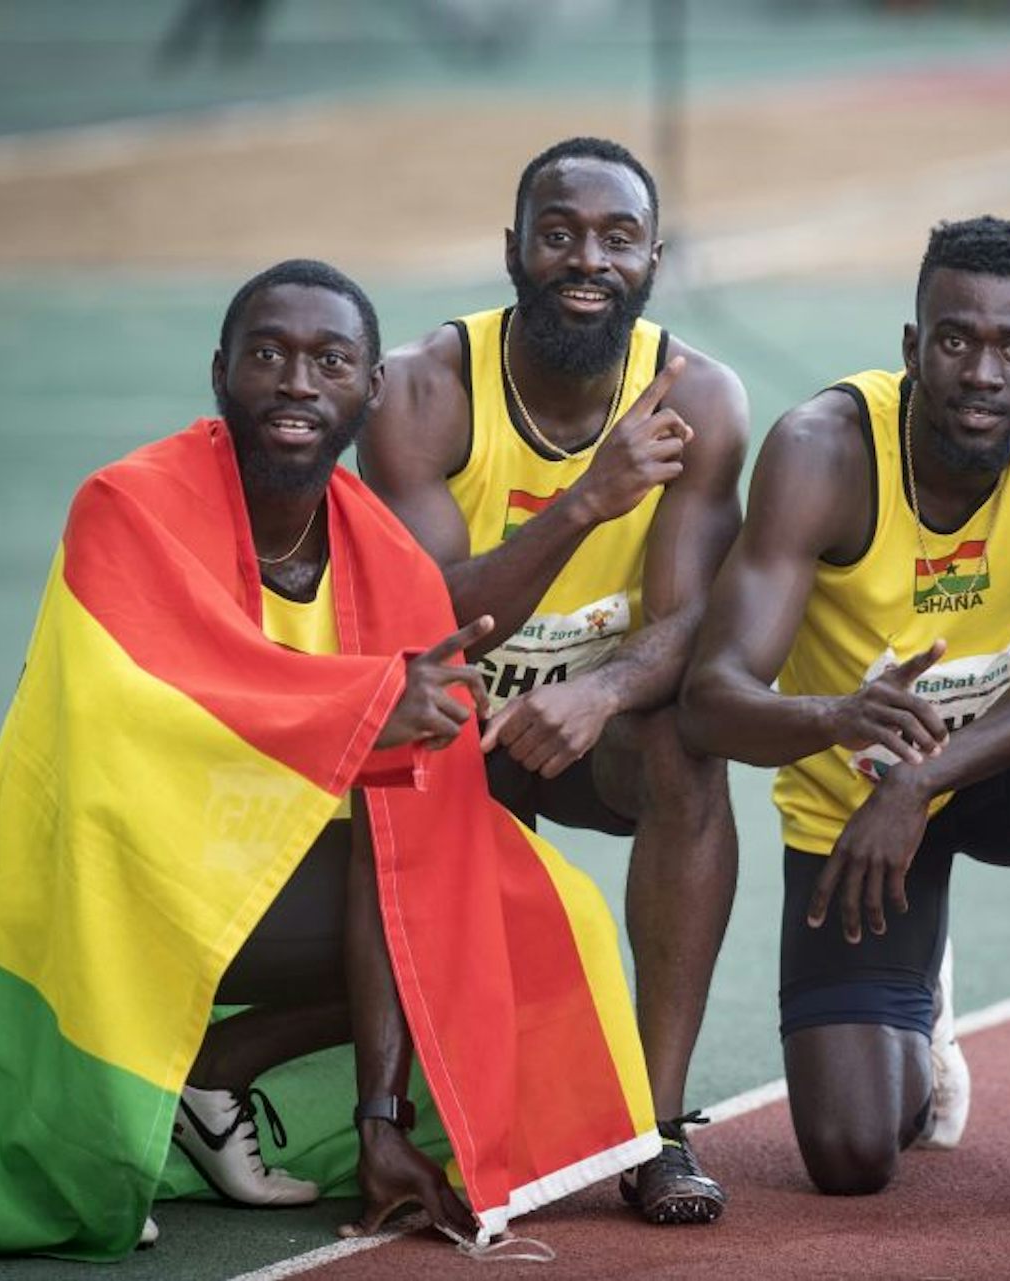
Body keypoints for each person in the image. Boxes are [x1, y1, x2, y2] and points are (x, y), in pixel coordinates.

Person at [0, 260, 658, 1260]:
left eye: (330, 360)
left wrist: (382, 1122)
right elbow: (153, 695)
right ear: (220, 372)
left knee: (517, 902)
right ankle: (137, 1099)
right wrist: (371, 703)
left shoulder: (388, 560)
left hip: (258, 878)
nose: (297, 382)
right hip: (95, 881)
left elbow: (413, 828)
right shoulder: (124, 504)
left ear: (370, 392)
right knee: (410, 876)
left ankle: (223, 1076)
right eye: (269, 355)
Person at [680, 216, 1010, 1211]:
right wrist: (836, 719)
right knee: (852, 1157)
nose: (982, 371)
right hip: (855, 807)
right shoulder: (822, 452)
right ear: (912, 348)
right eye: (955, 339)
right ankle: (923, 1010)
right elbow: (711, 699)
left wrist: (927, 775)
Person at [362, 137, 747, 1225]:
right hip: (447, 734)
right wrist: (585, 498)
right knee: (411, 747)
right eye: (561, 233)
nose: (588, 260)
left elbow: (696, 620)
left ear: (654, 260)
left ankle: (656, 1130)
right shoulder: (422, 391)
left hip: (594, 734)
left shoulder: (703, 400)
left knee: (688, 747)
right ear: (513, 251)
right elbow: (426, 617)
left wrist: (600, 695)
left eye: (617, 239)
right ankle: (380, 1114)